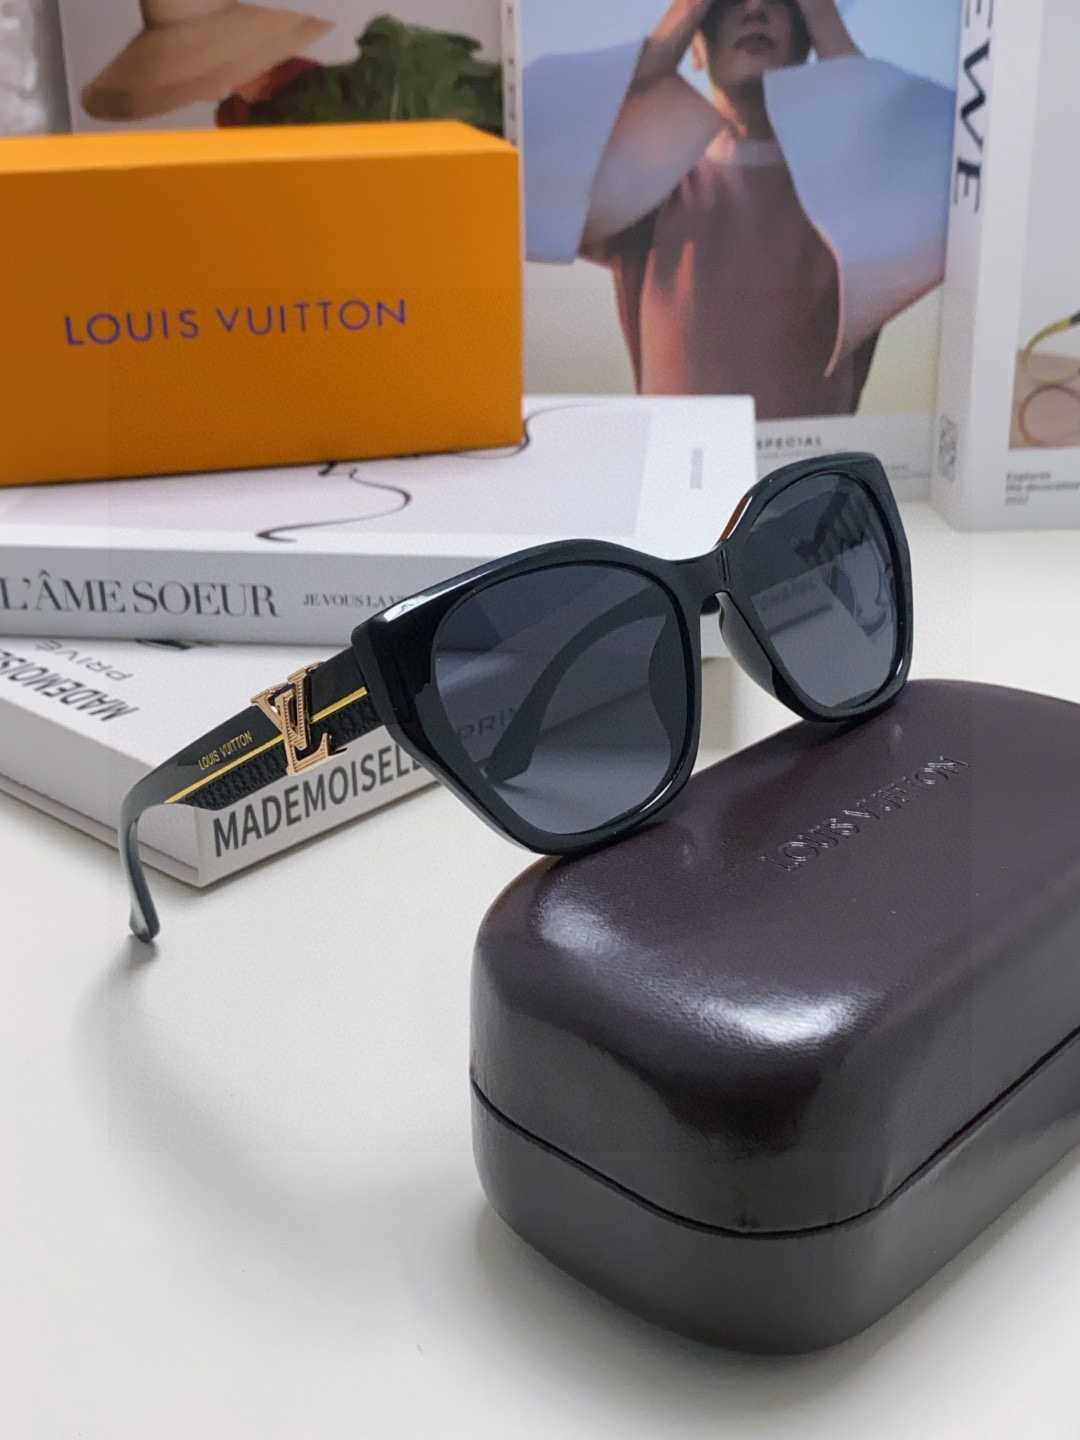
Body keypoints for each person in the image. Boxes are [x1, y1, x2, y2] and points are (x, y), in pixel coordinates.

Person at [523, 0, 955, 419]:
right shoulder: (651, 184)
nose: (754, 7)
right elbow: (521, 154)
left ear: (806, 33)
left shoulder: (853, 191)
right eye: (725, 2)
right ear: (695, 42)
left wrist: (828, 29)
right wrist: (659, 49)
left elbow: (959, 160)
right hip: (682, 463)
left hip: (811, 467)